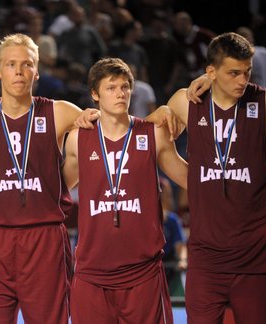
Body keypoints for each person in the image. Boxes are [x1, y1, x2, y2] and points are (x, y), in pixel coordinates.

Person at [166, 32, 266, 323]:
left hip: (257, 255)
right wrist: (193, 182)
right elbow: (153, 143)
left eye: (246, 72)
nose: (241, 81)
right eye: (233, 73)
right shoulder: (186, 102)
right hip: (206, 256)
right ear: (210, 71)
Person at [61, 57, 187, 323]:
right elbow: (56, 191)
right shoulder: (78, 138)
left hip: (143, 272)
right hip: (91, 273)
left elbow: (193, 180)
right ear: (95, 94)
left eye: (125, 87)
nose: (120, 93)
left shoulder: (153, 134)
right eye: (111, 87)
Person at [0, 33, 82, 324]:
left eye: (27, 64)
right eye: (10, 64)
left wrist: (54, 186)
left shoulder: (60, 112)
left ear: (37, 71)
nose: (18, 71)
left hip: (44, 238)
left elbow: (109, 129)